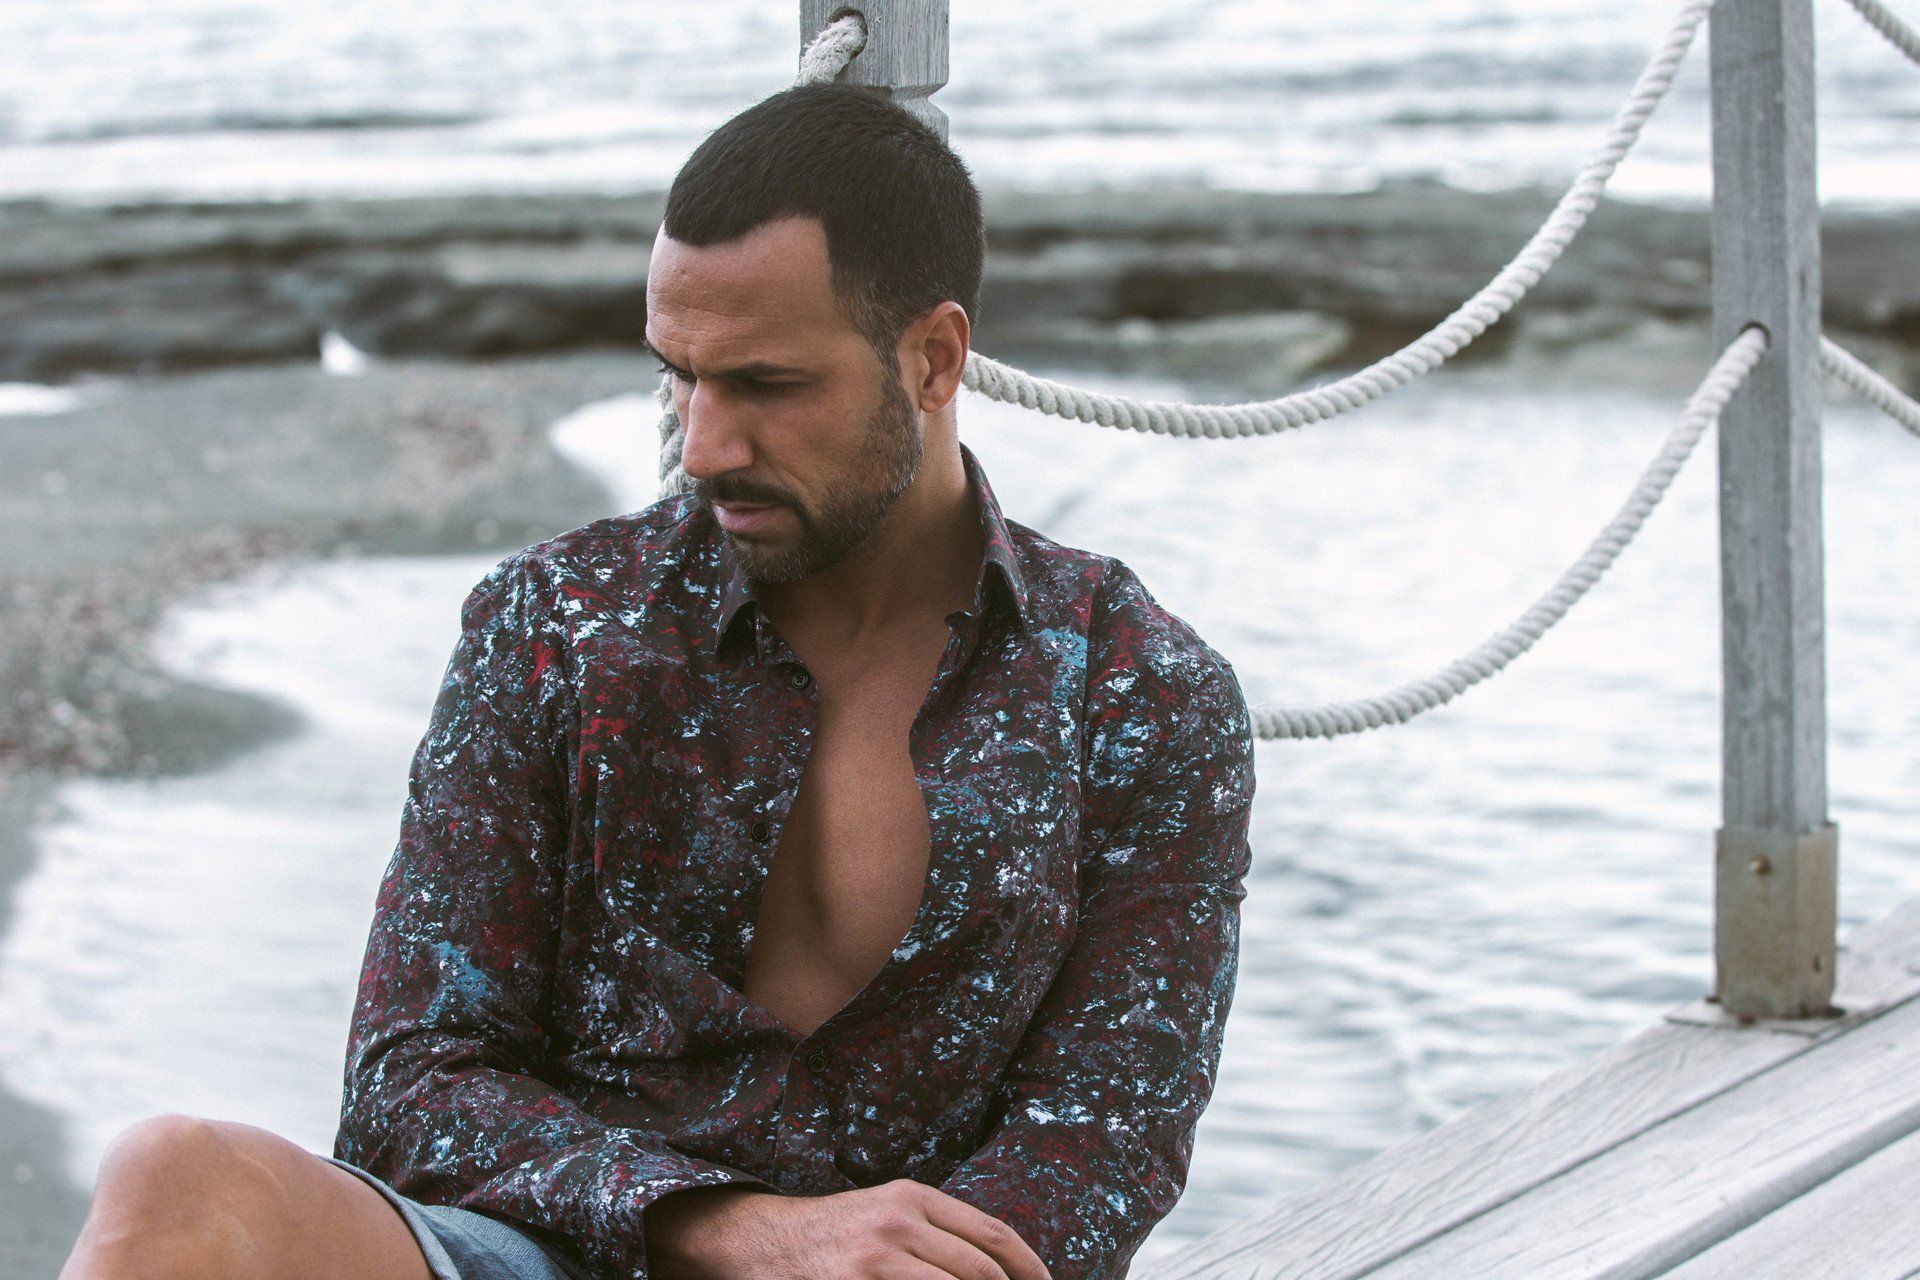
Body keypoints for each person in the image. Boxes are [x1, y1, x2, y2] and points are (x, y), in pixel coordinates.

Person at [55, 81, 1256, 1280]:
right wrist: (737, 1229)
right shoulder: (561, 623)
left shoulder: (1137, 692)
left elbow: (1104, 1135)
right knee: (177, 1177)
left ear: (935, 359)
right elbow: (408, 1083)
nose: (705, 442)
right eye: (680, 374)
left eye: (766, 385)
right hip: (559, 1255)